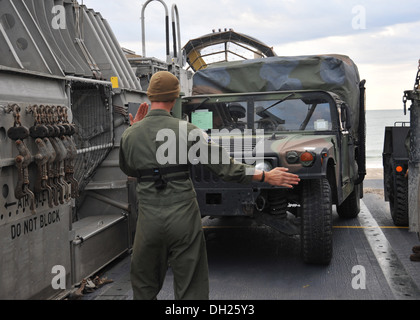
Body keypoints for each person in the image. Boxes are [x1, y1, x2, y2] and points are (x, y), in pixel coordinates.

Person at [119, 71, 301, 300]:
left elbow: (129, 170)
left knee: (144, 285)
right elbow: (226, 168)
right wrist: (265, 177)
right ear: (175, 98)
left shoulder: (131, 133)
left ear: (149, 96)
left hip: (148, 218)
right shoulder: (189, 131)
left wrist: (134, 129)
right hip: (182, 215)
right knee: (191, 286)